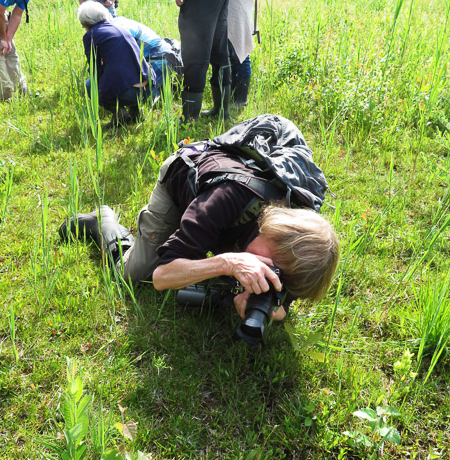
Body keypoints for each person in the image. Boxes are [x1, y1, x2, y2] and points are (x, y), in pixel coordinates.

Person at [59, 121, 340, 322]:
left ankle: (213, 242)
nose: (272, 271)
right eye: (273, 265)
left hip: (231, 205)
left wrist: (265, 302)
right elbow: (163, 276)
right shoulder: (228, 197)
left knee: (227, 252)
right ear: (274, 232)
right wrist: (228, 263)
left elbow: (284, 305)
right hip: (185, 178)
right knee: (132, 274)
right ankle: (103, 220)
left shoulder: (302, 245)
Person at [78, 1, 155, 126]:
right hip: (148, 88)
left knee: (89, 85)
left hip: (130, 92)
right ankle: (136, 112)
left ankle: (120, 115)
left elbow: (94, 70)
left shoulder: (91, 35)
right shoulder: (120, 27)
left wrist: (103, 89)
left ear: (85, 23)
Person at [113, 16, 183, 94]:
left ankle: (168, 89)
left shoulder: (116, 33)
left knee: (135, 95)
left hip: (160, 60)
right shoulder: (117, 21)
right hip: (157, 56)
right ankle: (167, 87)